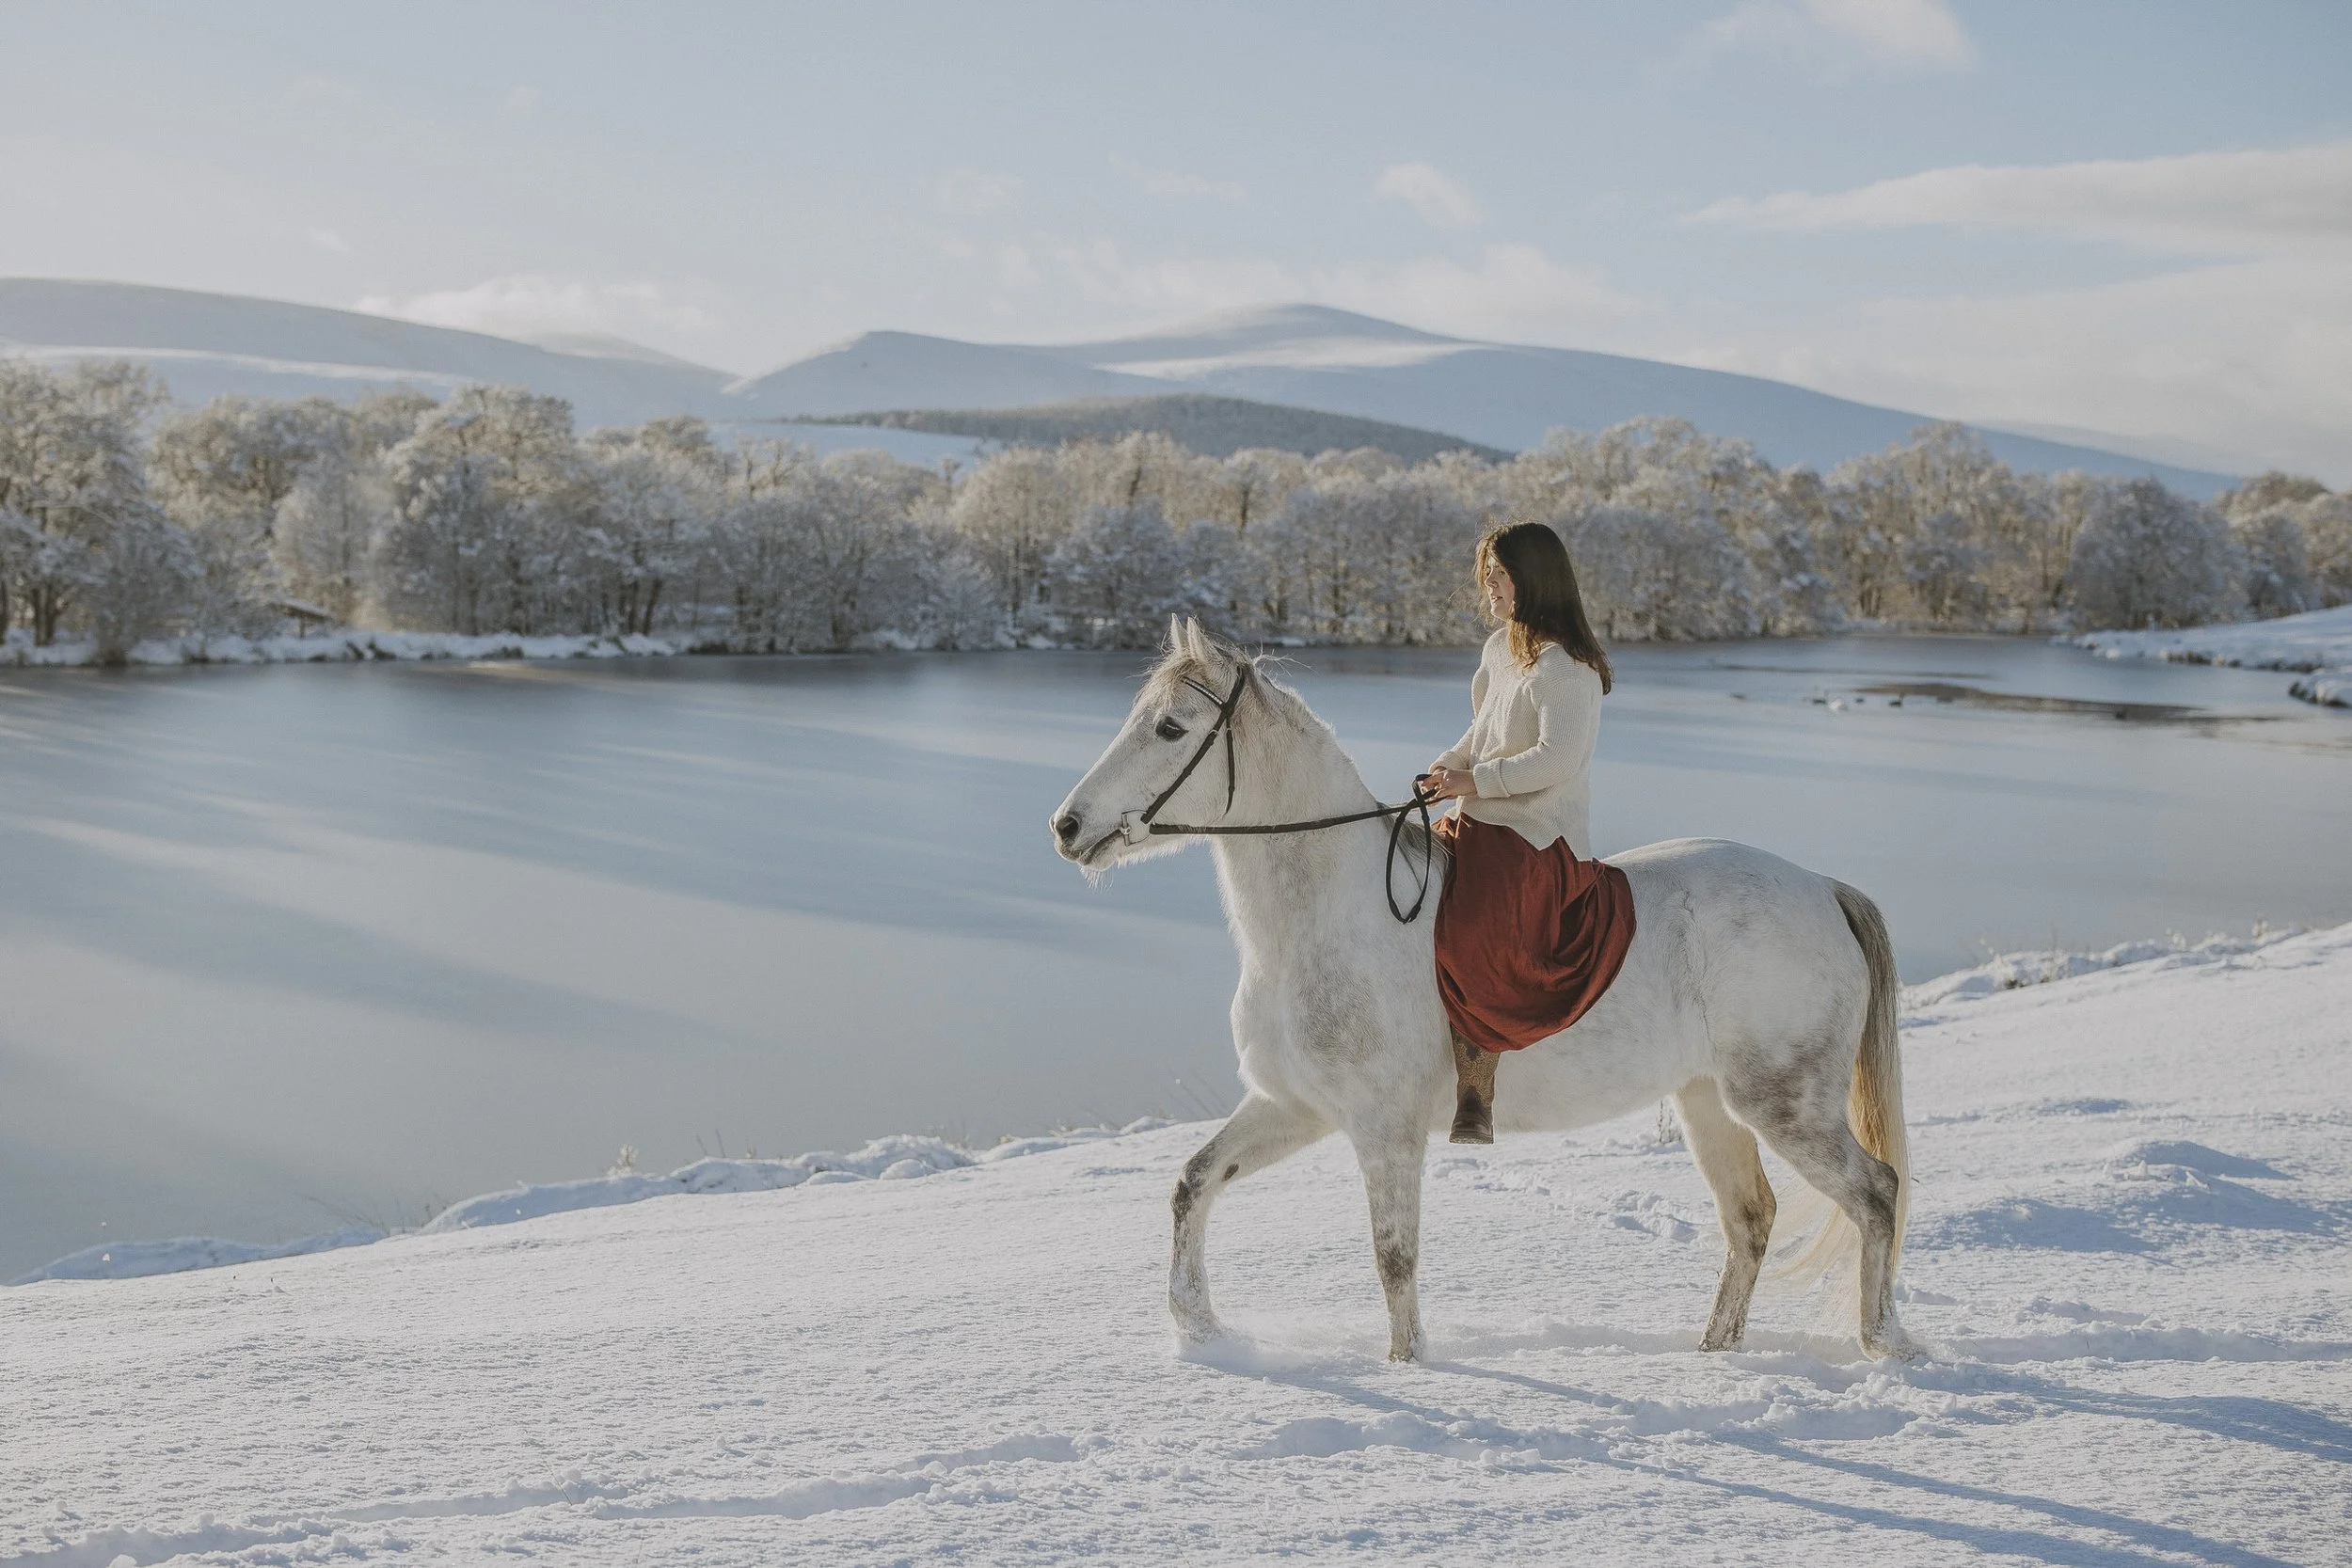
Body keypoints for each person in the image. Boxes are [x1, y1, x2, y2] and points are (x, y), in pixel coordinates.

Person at [1423, 522, 1637, 1143]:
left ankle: (1476, 1088)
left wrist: (1475, 782)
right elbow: (1481, 730)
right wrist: (1448, 767)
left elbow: (1554, 761)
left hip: (1537, 835)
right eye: (1486, 574)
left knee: (1473, 926)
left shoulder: (1569, 669)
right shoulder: (1499, 651)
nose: (1487, 586)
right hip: (1481, 815)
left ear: (1532, 579)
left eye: (1498, 574)